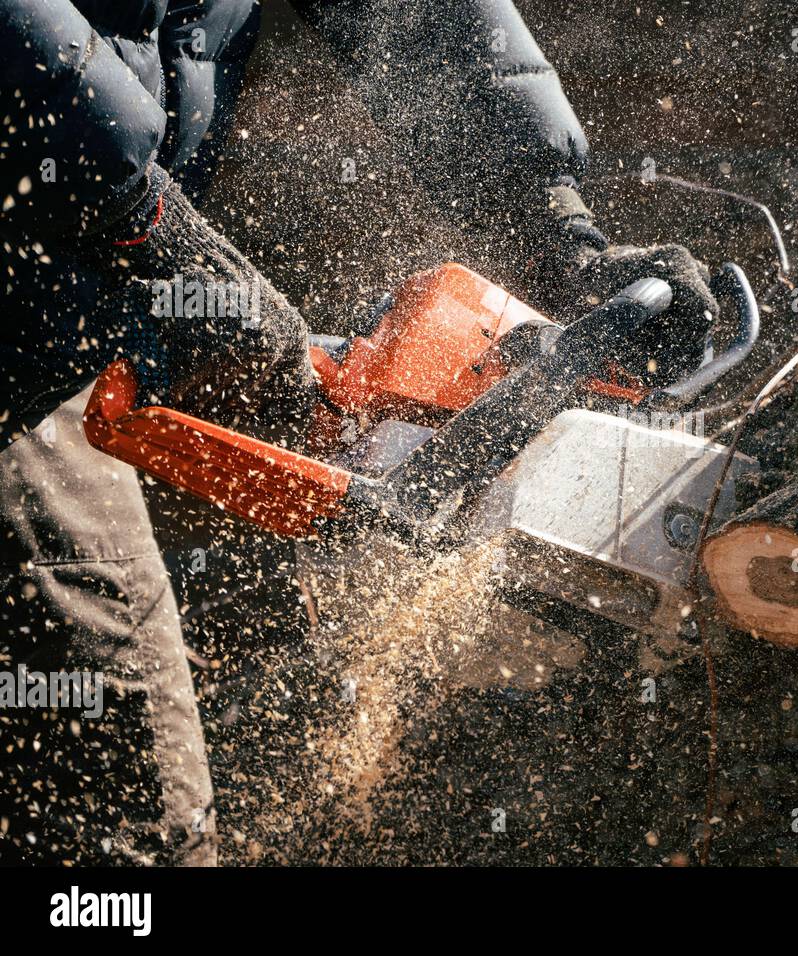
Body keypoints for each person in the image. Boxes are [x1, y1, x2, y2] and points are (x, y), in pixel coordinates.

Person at [0, 0, 717, 865]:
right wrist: (154, 233)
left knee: (154, 796)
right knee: (125, 813)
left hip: (48, 339)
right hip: (58, 283)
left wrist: (555, 232)